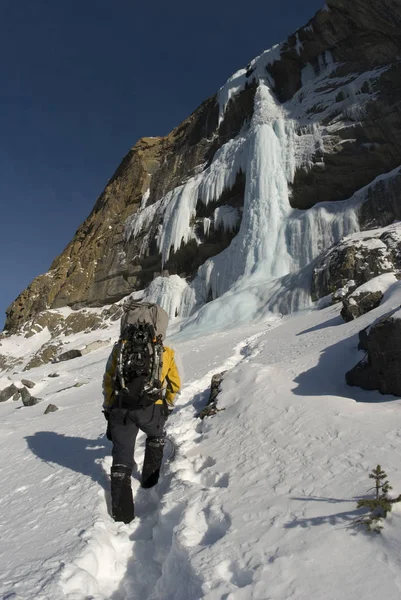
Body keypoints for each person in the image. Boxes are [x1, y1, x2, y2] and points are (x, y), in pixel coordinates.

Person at [102, 301, 181, 523]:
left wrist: (109, 406)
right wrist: (167, 404)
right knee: (156, 436)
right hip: (151, 408)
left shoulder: (119, 349)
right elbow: (174, 382)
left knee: (121, 460)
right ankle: (149, 480)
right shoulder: (165, 352)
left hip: (121, 408)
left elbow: (108, 380)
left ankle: (122, 516)